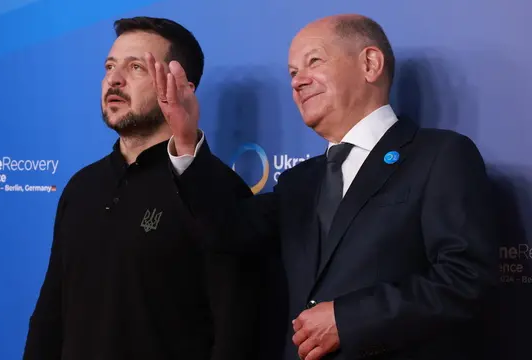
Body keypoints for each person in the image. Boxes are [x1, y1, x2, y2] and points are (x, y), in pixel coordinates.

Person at [147, 13, 498, 360]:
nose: (297, 82)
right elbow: (226, 232)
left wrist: (348, 320)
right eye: (292, 73)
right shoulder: (299, 182)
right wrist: (186, 138)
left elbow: (464, 279)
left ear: (370, 64)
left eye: (313, 61)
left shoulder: (438, 156)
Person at [22, 16, 261, 360]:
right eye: (109, 67)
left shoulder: (215, 192)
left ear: (182, 88)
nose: (114, 80)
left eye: (136, 68)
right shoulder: (82, 187)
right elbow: (50, 313)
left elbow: (235, 331)